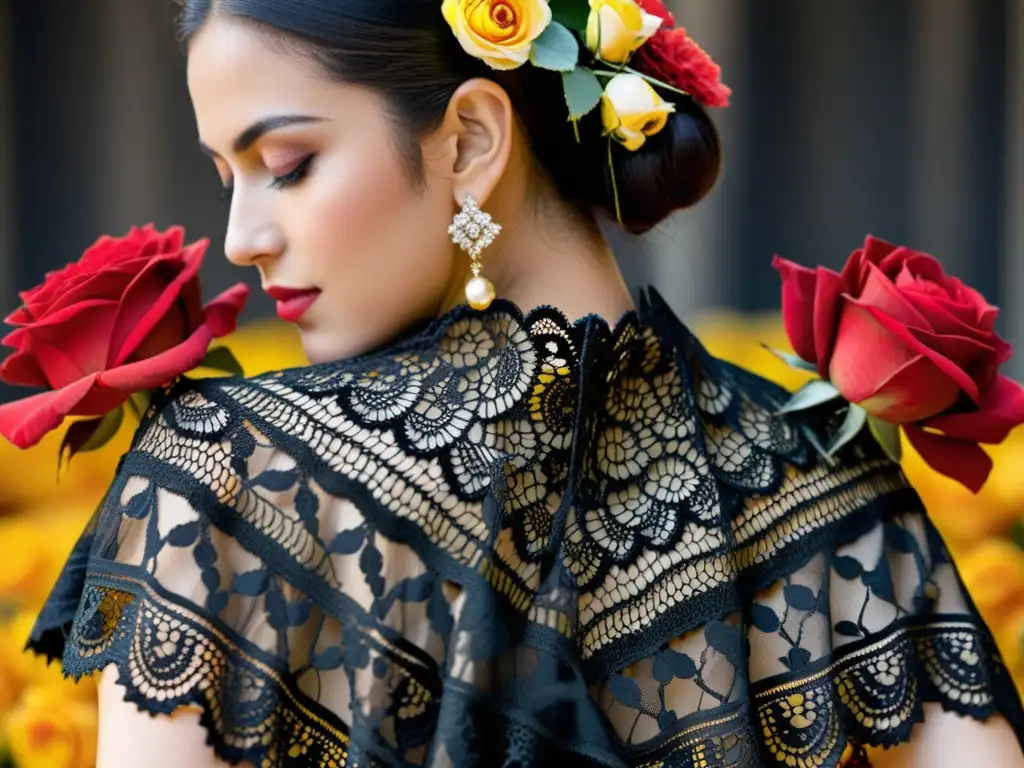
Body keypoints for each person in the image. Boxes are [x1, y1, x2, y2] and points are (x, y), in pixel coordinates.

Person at [26, 1, 1024, 766]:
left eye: (286, 163)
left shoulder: (228, 477)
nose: (242, 239)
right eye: (225, 178)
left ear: (470, 141)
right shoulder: (829, 490)